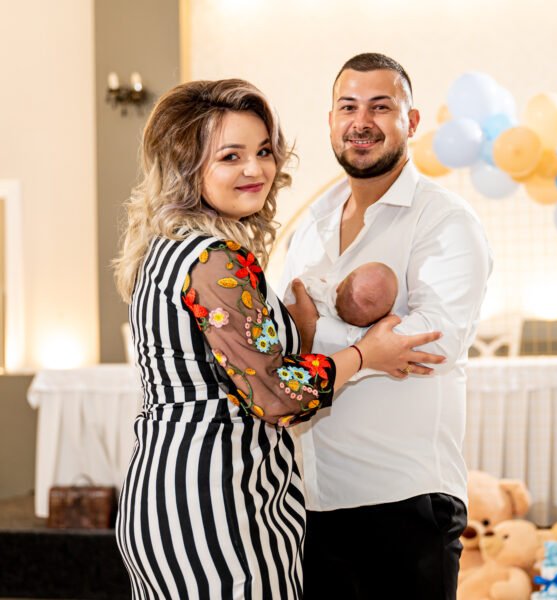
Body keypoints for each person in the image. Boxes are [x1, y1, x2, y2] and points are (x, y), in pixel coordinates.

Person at [112, 78, 446, 600]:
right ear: (186, 166)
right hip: (216, 499)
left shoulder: (167, 246)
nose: (256, 169)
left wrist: (299, 329)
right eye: (230, 156)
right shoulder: (214, 258)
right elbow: (276, 394)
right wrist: (365, 355)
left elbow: (228, 365)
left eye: (264, 151)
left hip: (171, 486)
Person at [281, 53, 493, 599]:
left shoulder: (443, 219)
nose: (361, 121)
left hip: (405, 499)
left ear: (411, 121)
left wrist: (318, 336)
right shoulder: (311, 224)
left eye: (380, 107)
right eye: (348, 107)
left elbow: (433, 341)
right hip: (311, 501)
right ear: (331, 121)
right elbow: (287, 333)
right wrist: (361, 347)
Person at [285, 262, 398, 330]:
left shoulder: (317, 291)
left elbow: (298, 284)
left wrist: (321, 282)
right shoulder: (354, 337)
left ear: (338, 286)